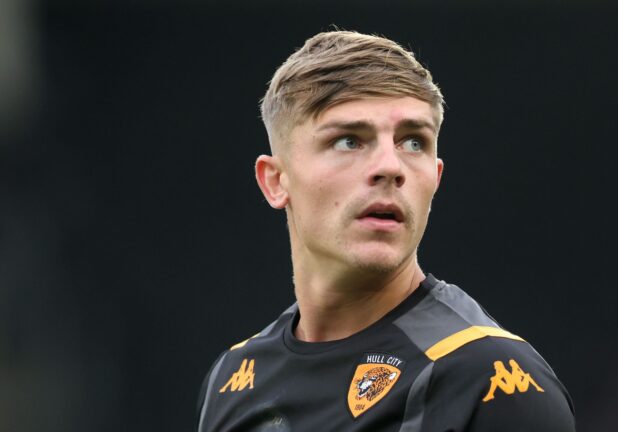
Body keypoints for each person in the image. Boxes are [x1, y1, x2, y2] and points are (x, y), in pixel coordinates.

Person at [196, 30, 575, 432]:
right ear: (275, 181)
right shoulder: (231, 381)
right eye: (348, 141)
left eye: (413, 142)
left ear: (436, 177)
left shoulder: (489, 381)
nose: (391, 167)